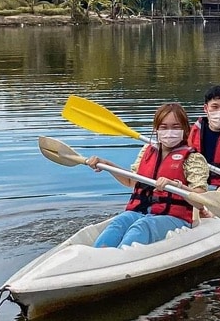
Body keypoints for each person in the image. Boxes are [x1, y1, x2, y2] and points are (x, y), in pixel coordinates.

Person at [87, 102, 209, 248]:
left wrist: (177, 186)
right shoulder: (147, 150)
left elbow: (201, 201)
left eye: (176, 127)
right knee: (119, 222)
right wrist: (106, 164)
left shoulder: (193, 158)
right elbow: (131, 182)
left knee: (142, 226)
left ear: (185, 129)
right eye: (164, 127)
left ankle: (120, 259)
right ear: (156, 129)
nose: (169, 132)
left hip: (174, 217)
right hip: (141, 211)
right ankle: (98, 254)